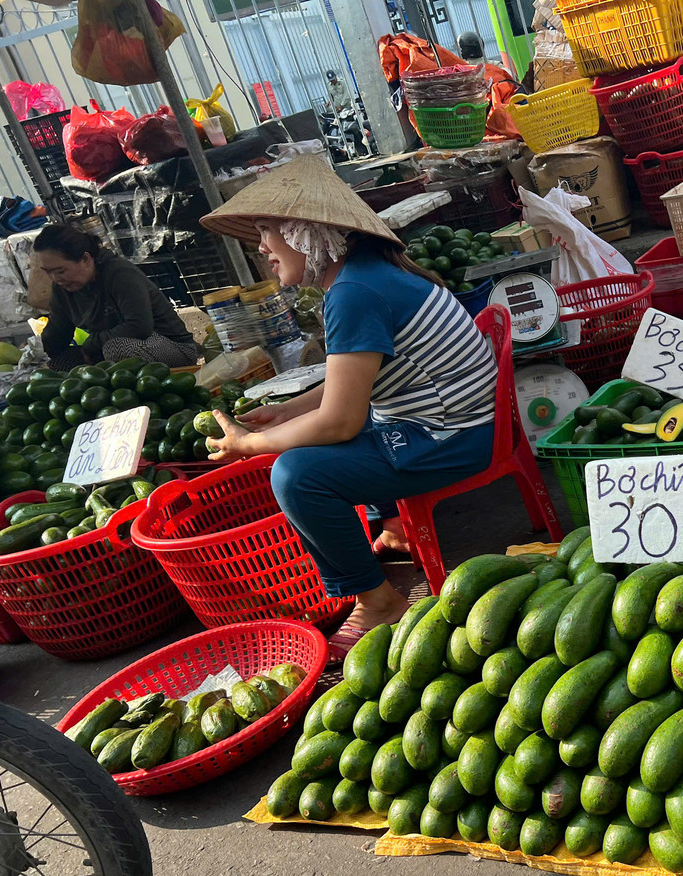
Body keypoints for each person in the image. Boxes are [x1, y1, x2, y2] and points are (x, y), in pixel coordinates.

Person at [199, 156, 497, 655]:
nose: (263, 247)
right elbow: (353, 384)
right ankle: (398, 528)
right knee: (315, 438)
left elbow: (340, 419)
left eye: (268, 229)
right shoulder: (365, 275)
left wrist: (252, 444)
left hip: (451, 440)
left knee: (296, 475)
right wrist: (287, 411)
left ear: (307, 230)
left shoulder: (354, 292)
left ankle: (378, 600)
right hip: (451, 426)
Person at [34, 225, 198, 370]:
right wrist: (43, 351)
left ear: (85, 259)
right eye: (48, 272)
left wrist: (92, 343)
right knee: (59, 364)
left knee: (117, 349)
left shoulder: (119, 273)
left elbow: (139, 327)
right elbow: (58, 334)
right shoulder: (62, 288)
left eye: (60, 271)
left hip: (171, 348)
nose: (55, 278)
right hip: (108, 351)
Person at [455, 31, 521, 140]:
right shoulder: (497, 66)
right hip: (509, 117)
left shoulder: (458, 74)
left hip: (481, 128)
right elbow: (515, 83)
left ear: (461, 51)